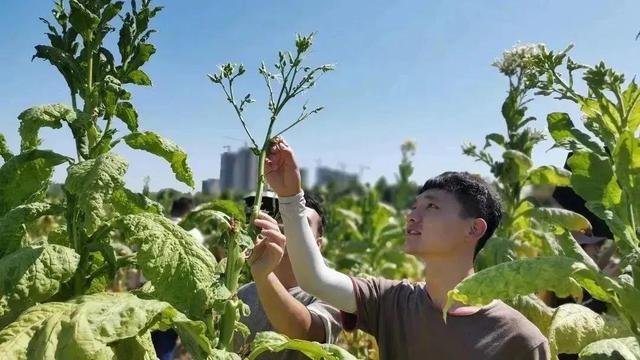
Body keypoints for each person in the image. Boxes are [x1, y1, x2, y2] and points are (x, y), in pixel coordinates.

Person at [263, 138, 550, 360]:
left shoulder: (519, 339)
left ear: (474, 229)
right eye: (415, 206)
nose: (413, 215)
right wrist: (290, 197)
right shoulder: (392, 301)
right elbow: (314, 279)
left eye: (433, 206)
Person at [233, 190, 342, 359]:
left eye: (301, 224)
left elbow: (304, 332)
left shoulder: (332, 291)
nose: (289, 227)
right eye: (282, 220)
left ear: (318, 244)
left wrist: (263, 275)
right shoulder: (243, 295)